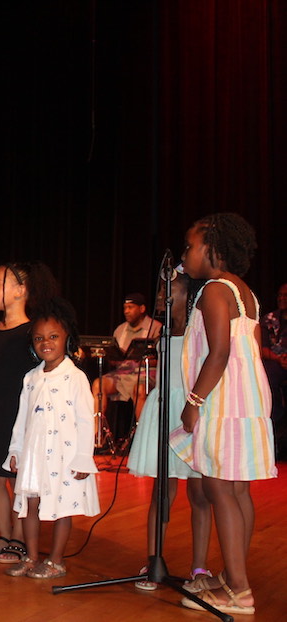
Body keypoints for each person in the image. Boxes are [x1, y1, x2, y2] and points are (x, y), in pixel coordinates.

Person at [170, 213, 277, 616]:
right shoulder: (243, 290)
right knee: (236, 491)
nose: (185, 254)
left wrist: (193, 402)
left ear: (212, 249)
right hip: (246, 400)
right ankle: (234, 578)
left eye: (189, 246)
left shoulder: (215, 290)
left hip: (222, 400)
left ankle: (240, 592)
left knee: (219, 489)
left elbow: (218, 353)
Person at [3, 297, 100, 579]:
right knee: (30, 504)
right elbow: (22, 418)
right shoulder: (31, 378)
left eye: (53, 336)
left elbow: (85, 419)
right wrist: (16, 450)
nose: (46, 343)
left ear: (67, 337)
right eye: (39, 338)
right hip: (34, 454)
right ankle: (32, 558)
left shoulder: (75, 377)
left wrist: (84, 456)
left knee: (62, 506)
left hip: (64, 454)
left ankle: (56, 560)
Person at [127, 273, 212, 590]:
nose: (163, 292)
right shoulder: (162, 331)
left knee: (200, 494)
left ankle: (199, 568)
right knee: (161, 493)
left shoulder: (200, 328)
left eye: (171, 287)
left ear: (187, 292)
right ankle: (154, 560)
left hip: (192, 409)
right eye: (161, 286)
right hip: (164, 408)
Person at [0, 261, 57, 564]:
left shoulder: (33, 332)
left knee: (19, 480)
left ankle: (19, 540)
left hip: (20, 416)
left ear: (21, 291)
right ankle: (4, 535)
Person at [90, 293, 163, 421]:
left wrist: (142, 360)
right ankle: (98, 434)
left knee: (140, 389)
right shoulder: (120, 330)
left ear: (142, 309)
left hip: (144, 374)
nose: (126, 311)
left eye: (130, 307)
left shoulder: (156, 327)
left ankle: (140, 433)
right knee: (98, 384)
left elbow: (160, 359)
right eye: (125, 308)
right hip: (122, 375)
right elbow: (114, 360)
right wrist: (113, 357)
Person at [260, 283, 286, 456]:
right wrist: (278, 358)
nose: (281, 298)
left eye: (285, 295)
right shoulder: (269, 319)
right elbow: (259, 347)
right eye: (279, 295)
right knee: (266, 376)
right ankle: (275, 425)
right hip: (275, 362)